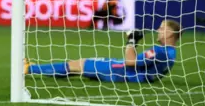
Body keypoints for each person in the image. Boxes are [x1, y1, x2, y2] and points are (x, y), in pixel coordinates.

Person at [26, 20, 181, 83]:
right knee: (76, 69)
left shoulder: (160, 51)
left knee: (77, 64)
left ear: (170, 34)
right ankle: (32, 68)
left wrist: (132, 41)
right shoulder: (171, 53)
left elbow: (130, 62)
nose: (158, 31)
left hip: (120, 72)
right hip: (128, 75)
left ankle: (29, 68)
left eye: (162, 29)